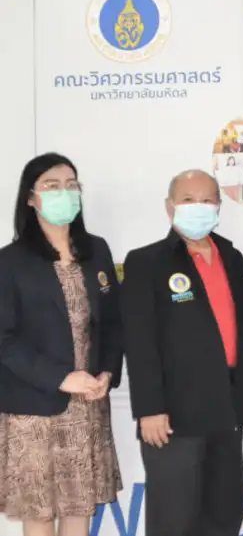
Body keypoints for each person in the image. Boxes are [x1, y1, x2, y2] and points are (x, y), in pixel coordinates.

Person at [121, 170, 243, 536]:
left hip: (227, 411)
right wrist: (149, 408)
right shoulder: (146, 262)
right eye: (187, 200)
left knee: (224, 516)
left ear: (219, 206)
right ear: (169, 208)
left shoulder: (232, 257)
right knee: (174, 521)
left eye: (207, 200)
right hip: (173, 417)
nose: (198, 207)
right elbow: (139, 341)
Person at [0, 153, 123, 536]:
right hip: (34, 407)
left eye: (71, 185)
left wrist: (107, 372)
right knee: (39, 513)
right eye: (51, 186)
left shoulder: (96, 251)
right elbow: (4, 340)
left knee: (79, 508)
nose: (64, 193)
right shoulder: (10, 261)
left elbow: (113, 321)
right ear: (30, 198)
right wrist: (61, 378)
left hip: (87, 404)